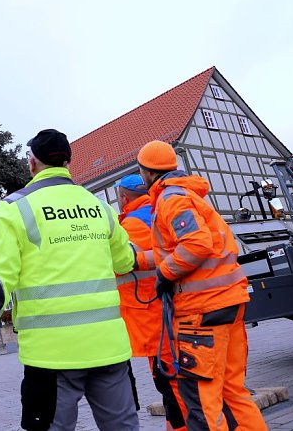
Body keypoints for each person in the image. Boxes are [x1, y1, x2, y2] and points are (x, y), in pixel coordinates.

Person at [0, 129, 139, 431]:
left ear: (32, 164)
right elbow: (126, 260)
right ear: (68, 163)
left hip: (51, 356)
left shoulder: (13, 209)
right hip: (109, 348)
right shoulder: (99, 206)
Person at [136, 140, 267, 431]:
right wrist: (141, 261)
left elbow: (196, 245)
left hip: (201, 312)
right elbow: (179, 247)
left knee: (200, 396)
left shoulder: (171, 199)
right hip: (228, 303)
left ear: (145, 172)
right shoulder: (189, 195)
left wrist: (164, 275)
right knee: (233, 392)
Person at [115, 174, 187, 431]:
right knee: (171, 380)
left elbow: (119, 265)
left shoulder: (131, 226)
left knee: (171, 381)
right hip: (170, 307)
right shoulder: (159, 213)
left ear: (123, 198)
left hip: (150, 314)